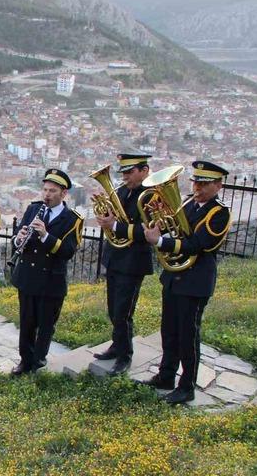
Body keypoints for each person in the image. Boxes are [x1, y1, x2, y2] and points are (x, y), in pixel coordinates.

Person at [142, 161, 231, 405]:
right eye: (195, 182)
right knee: (169, 331)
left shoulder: (219, 213)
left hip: (195, 281)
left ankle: (187, 386)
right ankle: (166, 375)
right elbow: (175, 229)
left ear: (218, 185)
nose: (198, 188)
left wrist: (160, 242)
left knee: (188, 336)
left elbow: (199, 245)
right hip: (174, 278)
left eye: (203, 184)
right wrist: (157, 217)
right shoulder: (188, 203)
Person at [10, 169, 84, 376]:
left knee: (45, 325)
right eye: (45, 190)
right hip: (27, 276)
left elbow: (68, 251)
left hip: (51, 280)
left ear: (64, 194)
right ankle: (25, 361)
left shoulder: (73, 219)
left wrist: (45, 235)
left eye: (52, 191)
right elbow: (18, 236)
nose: (47, 195)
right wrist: (18, 238)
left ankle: (38, 361)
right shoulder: (34, 209)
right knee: (26, 322)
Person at [94, 151, 155, 375]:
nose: (126, 176)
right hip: (115, 258)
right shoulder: (120, 191)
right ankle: (117, 344)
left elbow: (150, 230)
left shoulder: (151, 196)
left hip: (133, 262)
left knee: (123, 311)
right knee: (112, 309)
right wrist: (104, 216)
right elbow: (111, 220)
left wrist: (115, 226)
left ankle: (125, 355)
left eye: (130, 172)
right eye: (124, 172)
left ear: (144, 171)